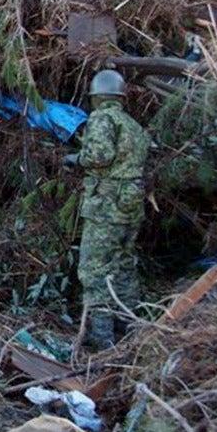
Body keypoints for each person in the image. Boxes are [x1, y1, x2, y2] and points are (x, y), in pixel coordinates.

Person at [63, 69, 149, 349]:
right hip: (131, 202)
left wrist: (76, 158)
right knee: (125, 263)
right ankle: (129, 325)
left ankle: (101, 336)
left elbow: (99, 156)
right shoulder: (133, 125)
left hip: (107, 204)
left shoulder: (102, 118)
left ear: (96, 97)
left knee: (94, 268)